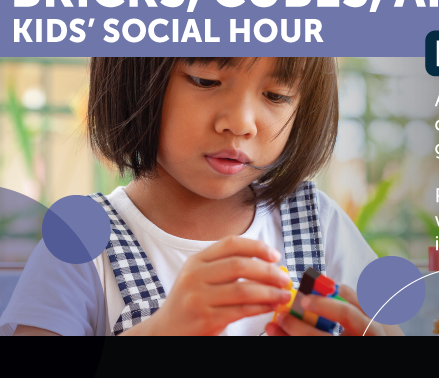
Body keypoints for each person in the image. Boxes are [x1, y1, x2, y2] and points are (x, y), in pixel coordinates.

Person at [0, 57, 402, 336]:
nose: (241, 123)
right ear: (136, 77)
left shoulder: (317, 222)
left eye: (277, 95)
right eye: (206, 80)